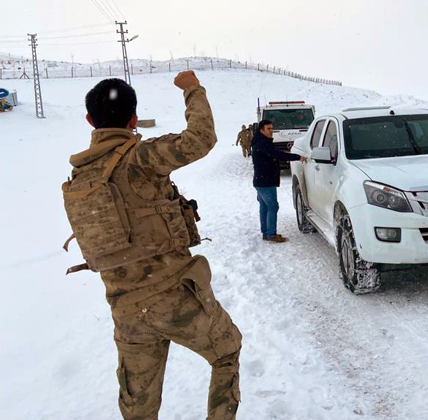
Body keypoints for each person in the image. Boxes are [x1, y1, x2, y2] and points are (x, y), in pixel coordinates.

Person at [62, 72, 242, 419]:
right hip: (175, 298)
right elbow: (200, 138)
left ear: (89, 120)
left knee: (138, 406)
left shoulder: (80, 177)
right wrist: (192, 89)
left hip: (125, 311)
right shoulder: (141, 157)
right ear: (133, 119)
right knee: (226, 352)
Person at [251, 119, 305, 243]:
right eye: (268, 129)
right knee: (273, 206)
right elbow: (278, 154)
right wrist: (297, 157)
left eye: (272, 128)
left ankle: (266, 232)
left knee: (264, 207)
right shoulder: (262, 143)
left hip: (262, 180)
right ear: (261, 130)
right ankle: (271, 234)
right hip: (265, 181)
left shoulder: (261, 141)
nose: (271, 131)